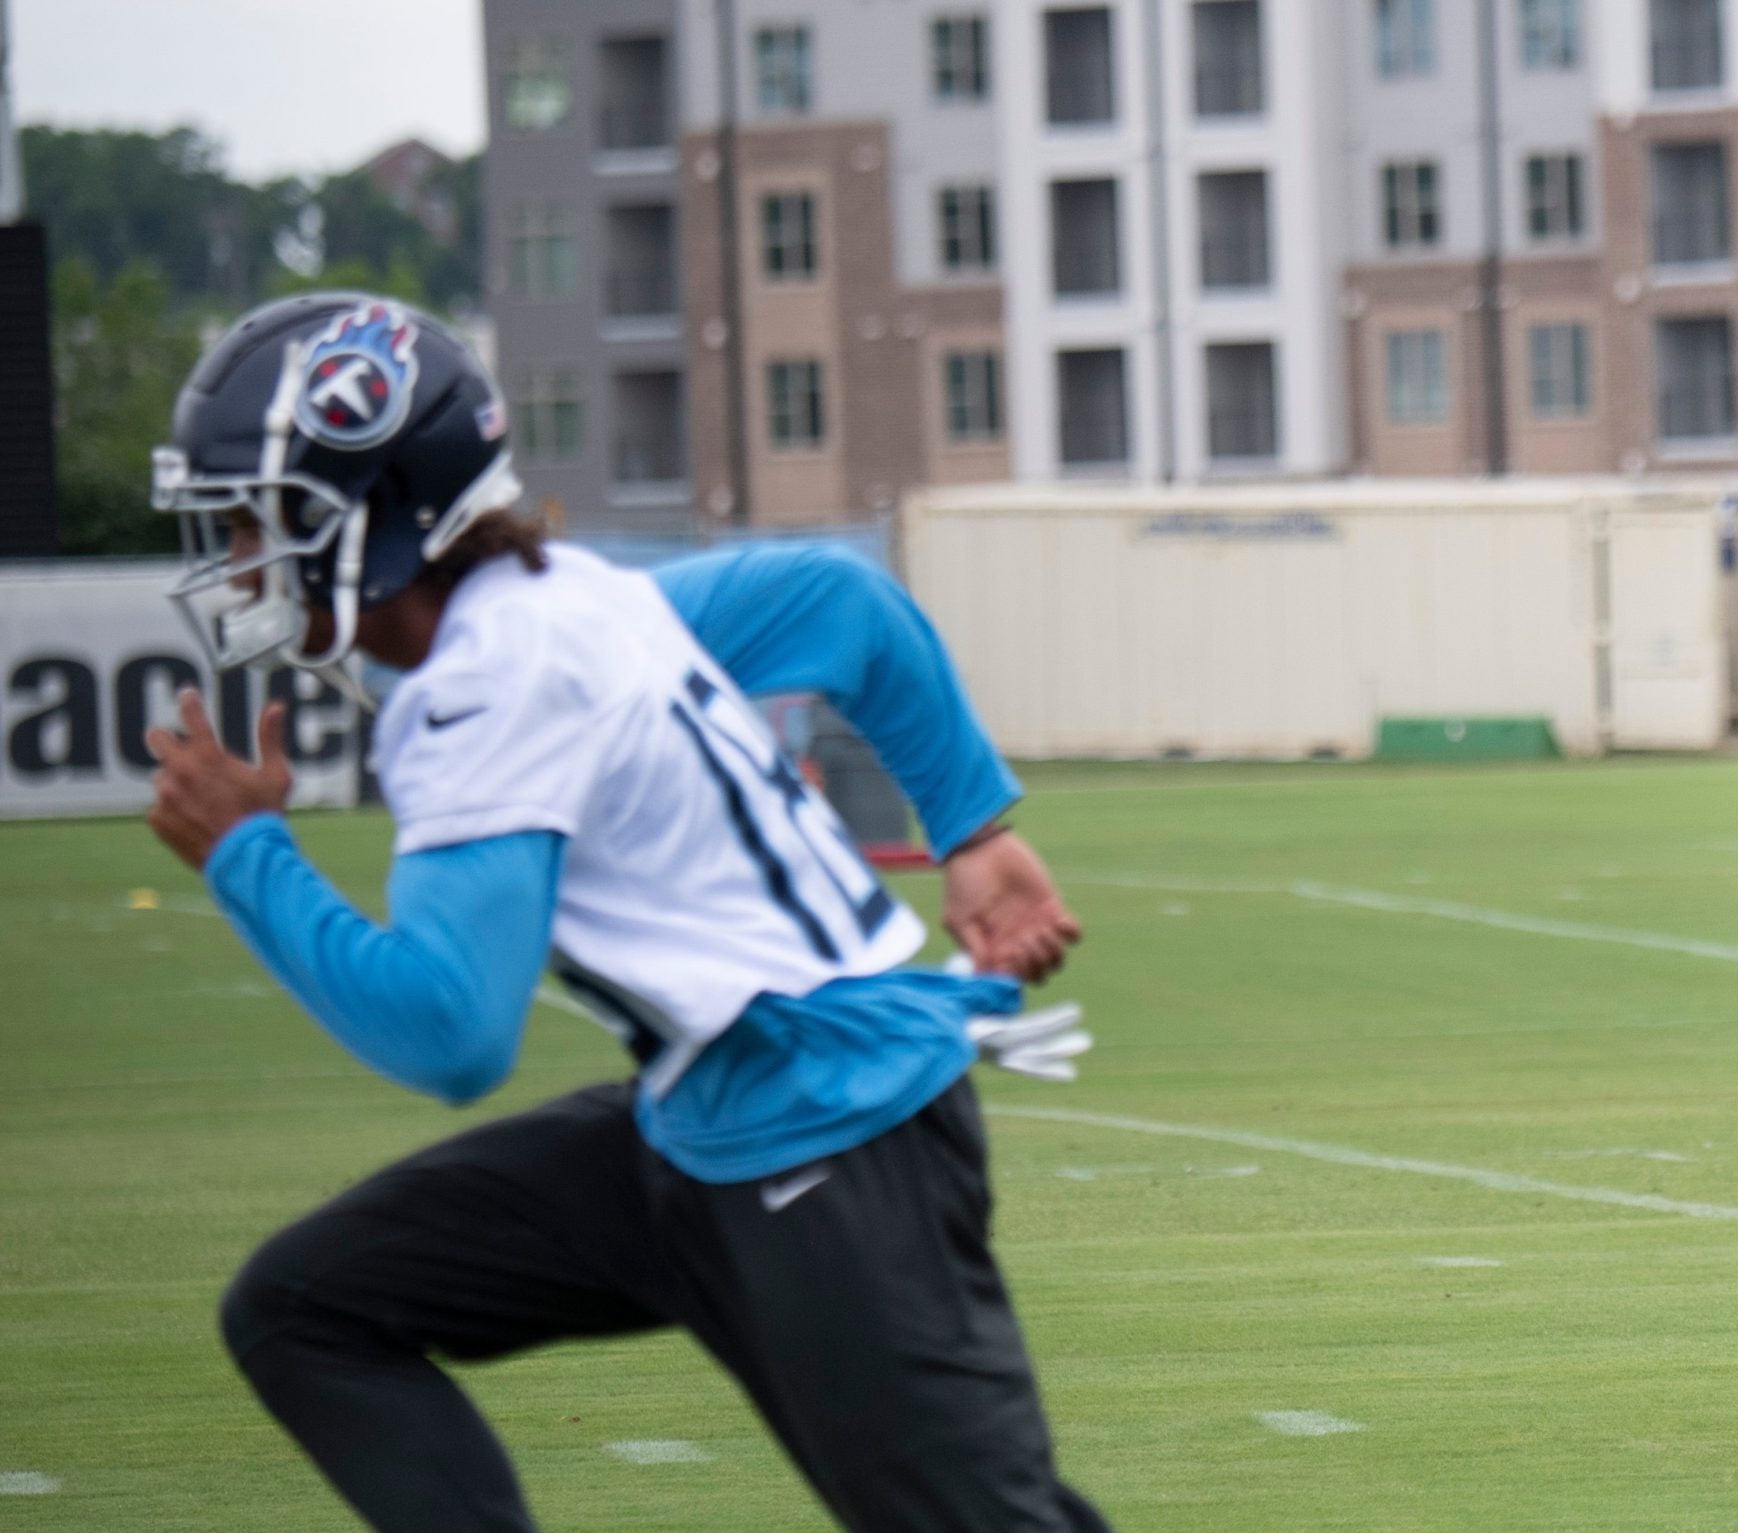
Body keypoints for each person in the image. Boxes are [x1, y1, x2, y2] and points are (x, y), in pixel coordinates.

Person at [141, 291, 1110, 1531]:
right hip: (718, 1116)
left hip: (830, 1140)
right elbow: (843, 608)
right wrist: (973, 828)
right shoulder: (573, 597)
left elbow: (451, 1034)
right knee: (308, 1304)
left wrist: (246, 854)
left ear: (376, 513)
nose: (235, 558)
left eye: (255, 520)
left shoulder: (485, 690)